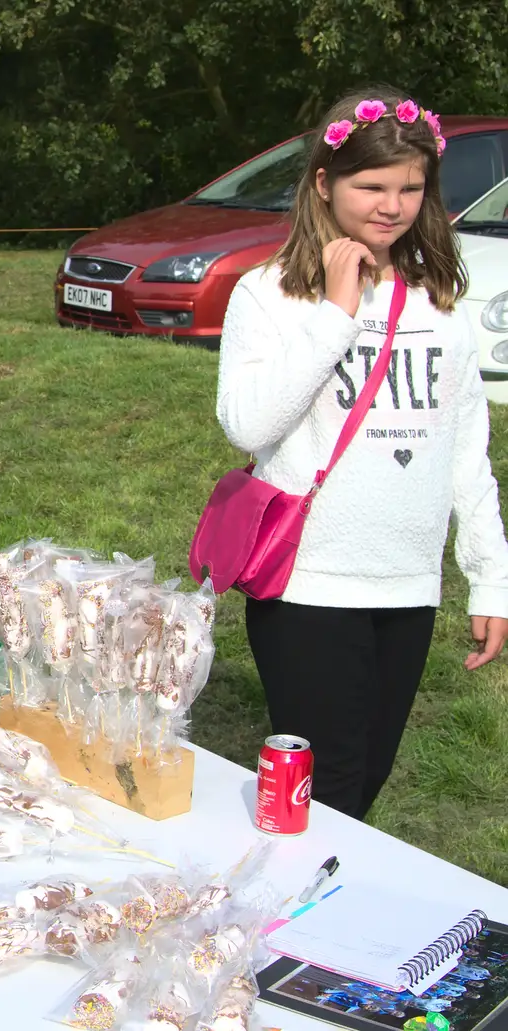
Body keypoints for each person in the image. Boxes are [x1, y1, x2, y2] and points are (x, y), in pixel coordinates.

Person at [216, 87, 508, 821]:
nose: (393, 204)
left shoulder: (439, 299)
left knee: (362, 785)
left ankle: (305, 923)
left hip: (407, 585)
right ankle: (285, 930)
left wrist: (491, 580)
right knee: (329, 790)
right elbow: (248, 425)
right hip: (308, 584)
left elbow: (467, 448)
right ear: (324, 183)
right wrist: (335, 318)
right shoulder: (269, 293)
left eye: (411, 187)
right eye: (371, 186)